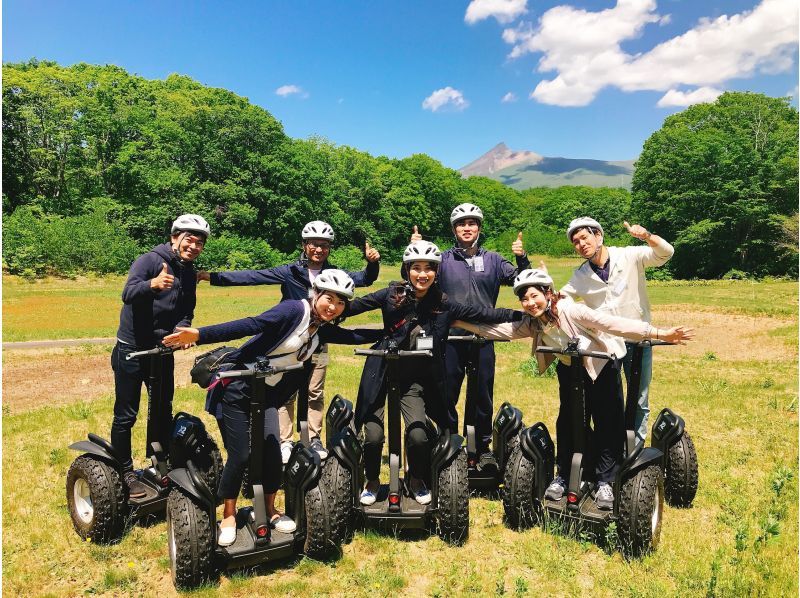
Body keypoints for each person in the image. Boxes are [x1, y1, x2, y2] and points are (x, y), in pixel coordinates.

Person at [163, 270, 382, 546]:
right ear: (316, 294)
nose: (333, 306)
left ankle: (269, 508)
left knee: (271, 453)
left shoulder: (320, 328)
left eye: (340, 303)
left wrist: (392, 331)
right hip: (238, 388)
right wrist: (199, 334)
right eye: (329, 298)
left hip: (265, 395)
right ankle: (229, 514)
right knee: (241, 455)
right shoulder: (294, 310)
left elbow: (352, 337)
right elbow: (250, 324)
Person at [454, 269, 694, 510]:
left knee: (607, 424)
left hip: (601, 366)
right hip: (570, 369)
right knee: (568, 422)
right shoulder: (535, 322)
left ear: (548, 293)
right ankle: (564, 475)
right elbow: (500, 331)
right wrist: (458, 322)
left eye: (534, 296)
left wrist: (659, 333)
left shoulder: (571, 310)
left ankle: (605, 481)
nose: (529, 303)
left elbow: (612, 323)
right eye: (524, 299)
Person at [348, 241, 523, 506]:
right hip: (382, 373)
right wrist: (325, 308)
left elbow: (484, 313)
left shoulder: (444, 304)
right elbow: (351, 307)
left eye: (428, 269)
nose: (422, 274)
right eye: (416, 268)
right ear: (407, 270)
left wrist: (524, 314)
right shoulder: (390, 294)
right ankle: (371, 480)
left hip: (414, 380)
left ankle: (416, 478)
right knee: (373, 436)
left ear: (436, 272)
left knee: (419, 435)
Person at [197, 220, 381, 462]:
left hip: (318, 338)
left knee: (315, 389)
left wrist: (373, 263)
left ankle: (313, 437)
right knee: (286, 390)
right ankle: (285, 440)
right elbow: (253, 277)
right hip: (288, 340)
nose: (319, 249)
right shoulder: (290, 272)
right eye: (314, 244)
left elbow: (365, 279)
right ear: (305, 245)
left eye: (325, 245)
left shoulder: (333, 273)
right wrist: (212, 277)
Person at [411, 203, 530, 470]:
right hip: (450, 338)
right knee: (446, 393)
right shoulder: (441, 259)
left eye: (472, 223)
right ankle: (448, 442)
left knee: (481, 395)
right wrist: (414, 251)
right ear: (454, 229)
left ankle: (480, 448)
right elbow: (416, 280)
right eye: (461, 224)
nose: (467, 228)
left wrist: (522, 258)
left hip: (484, 336)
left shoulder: (494, 260)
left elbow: (521, 281)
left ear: (479, 228)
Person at [111, 214, 211, 498]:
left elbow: (187, 308)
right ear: (174, 237)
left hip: (161, 349)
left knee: (161, 408)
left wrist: (183, 329)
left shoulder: (189, 272)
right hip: (132, 348)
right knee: (126, 414)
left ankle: (158, 463)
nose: (193, 246)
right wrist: (151, 285)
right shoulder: (150, 261)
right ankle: (125, 471)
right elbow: (128, 293)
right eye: (189, 239)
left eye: (199, 242)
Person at [560, 217, 674, 443]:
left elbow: (666, 253)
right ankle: (612, 450)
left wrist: (647, 237)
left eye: (584, 237)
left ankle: (635, 449)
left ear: (598, 236)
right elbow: (561, 298)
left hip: (638, 339)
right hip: (606, 345)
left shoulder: (629, 255)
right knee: (609, 399)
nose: (581, 244)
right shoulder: (581, 275)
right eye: (576, 242)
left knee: (638, 398)